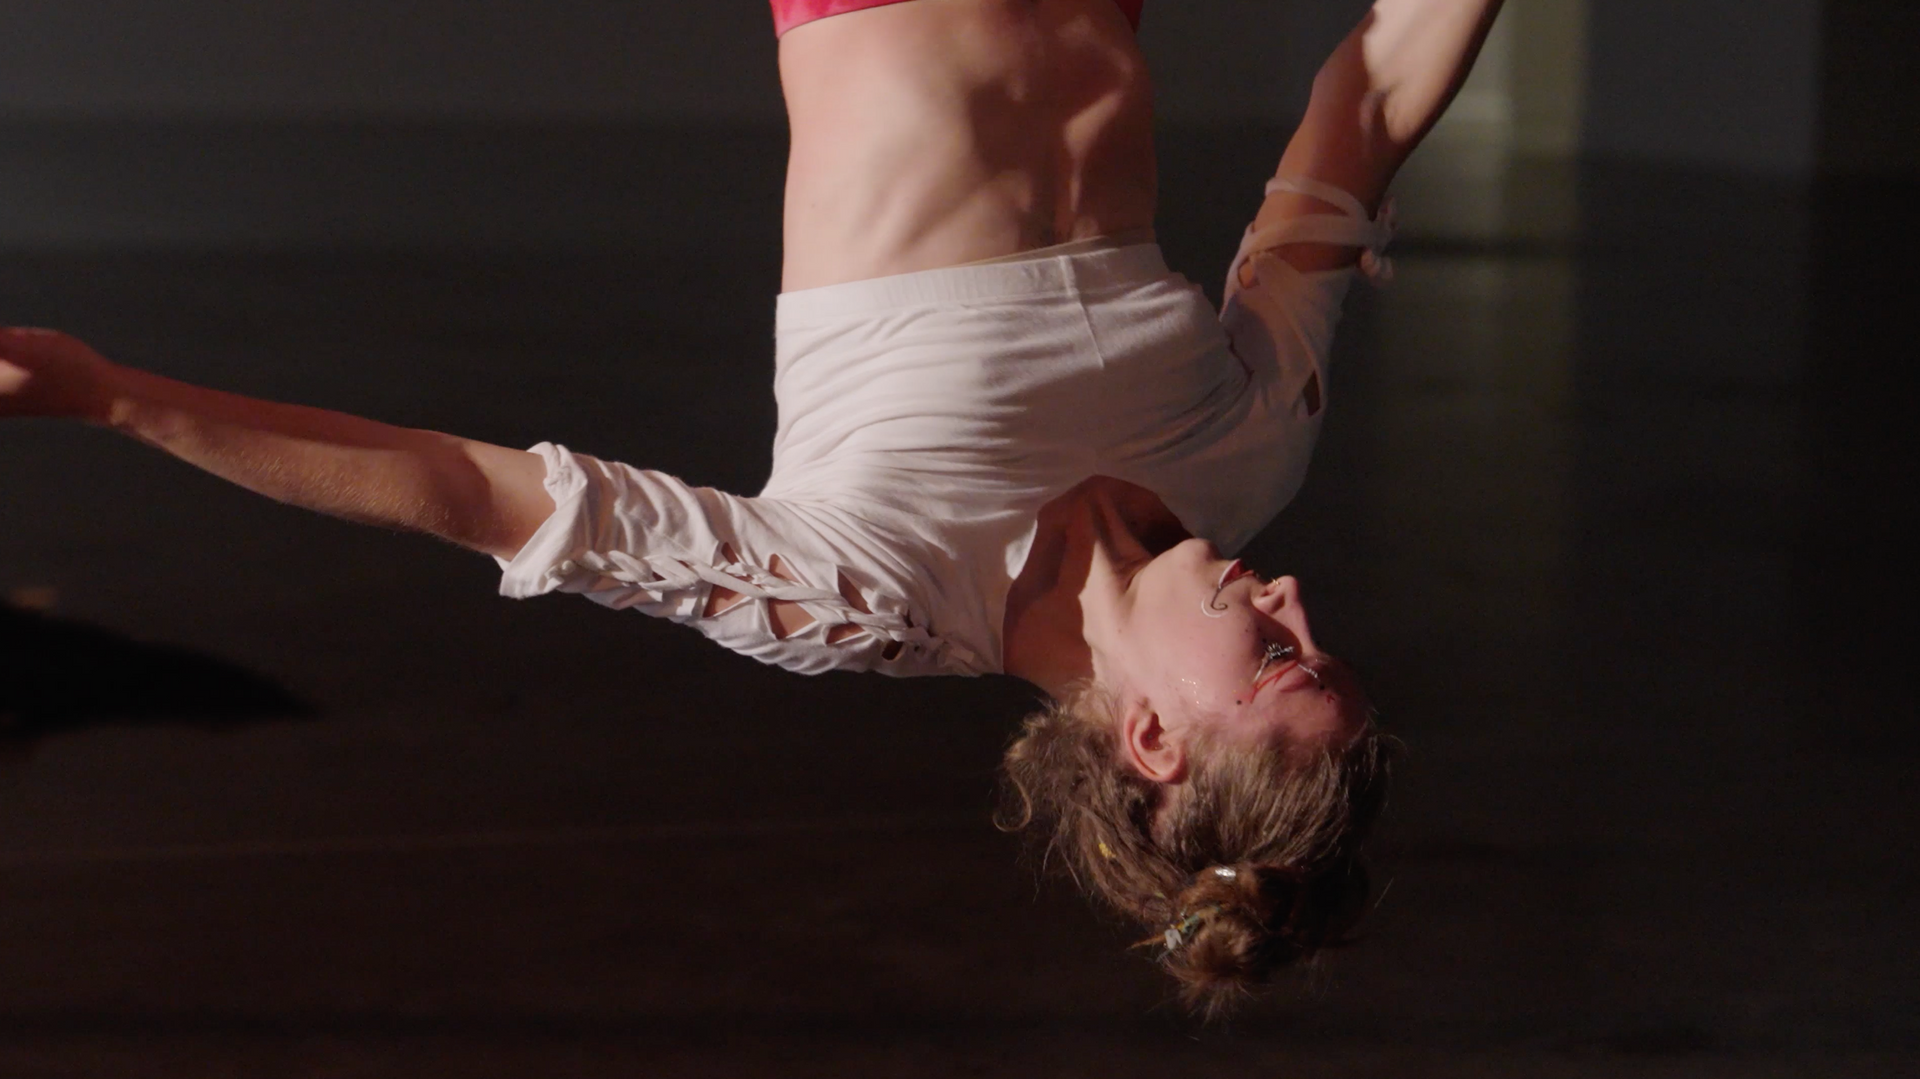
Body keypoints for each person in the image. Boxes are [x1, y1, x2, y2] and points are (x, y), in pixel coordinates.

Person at [1, 0, 1503, 1014]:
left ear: (1155, 739)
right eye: (1312, 636)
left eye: (1279, 657)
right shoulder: (1251, 453)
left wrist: (112, 395)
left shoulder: (867, 591)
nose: (1291, 599)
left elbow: (465, 488)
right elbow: (1366, 109)